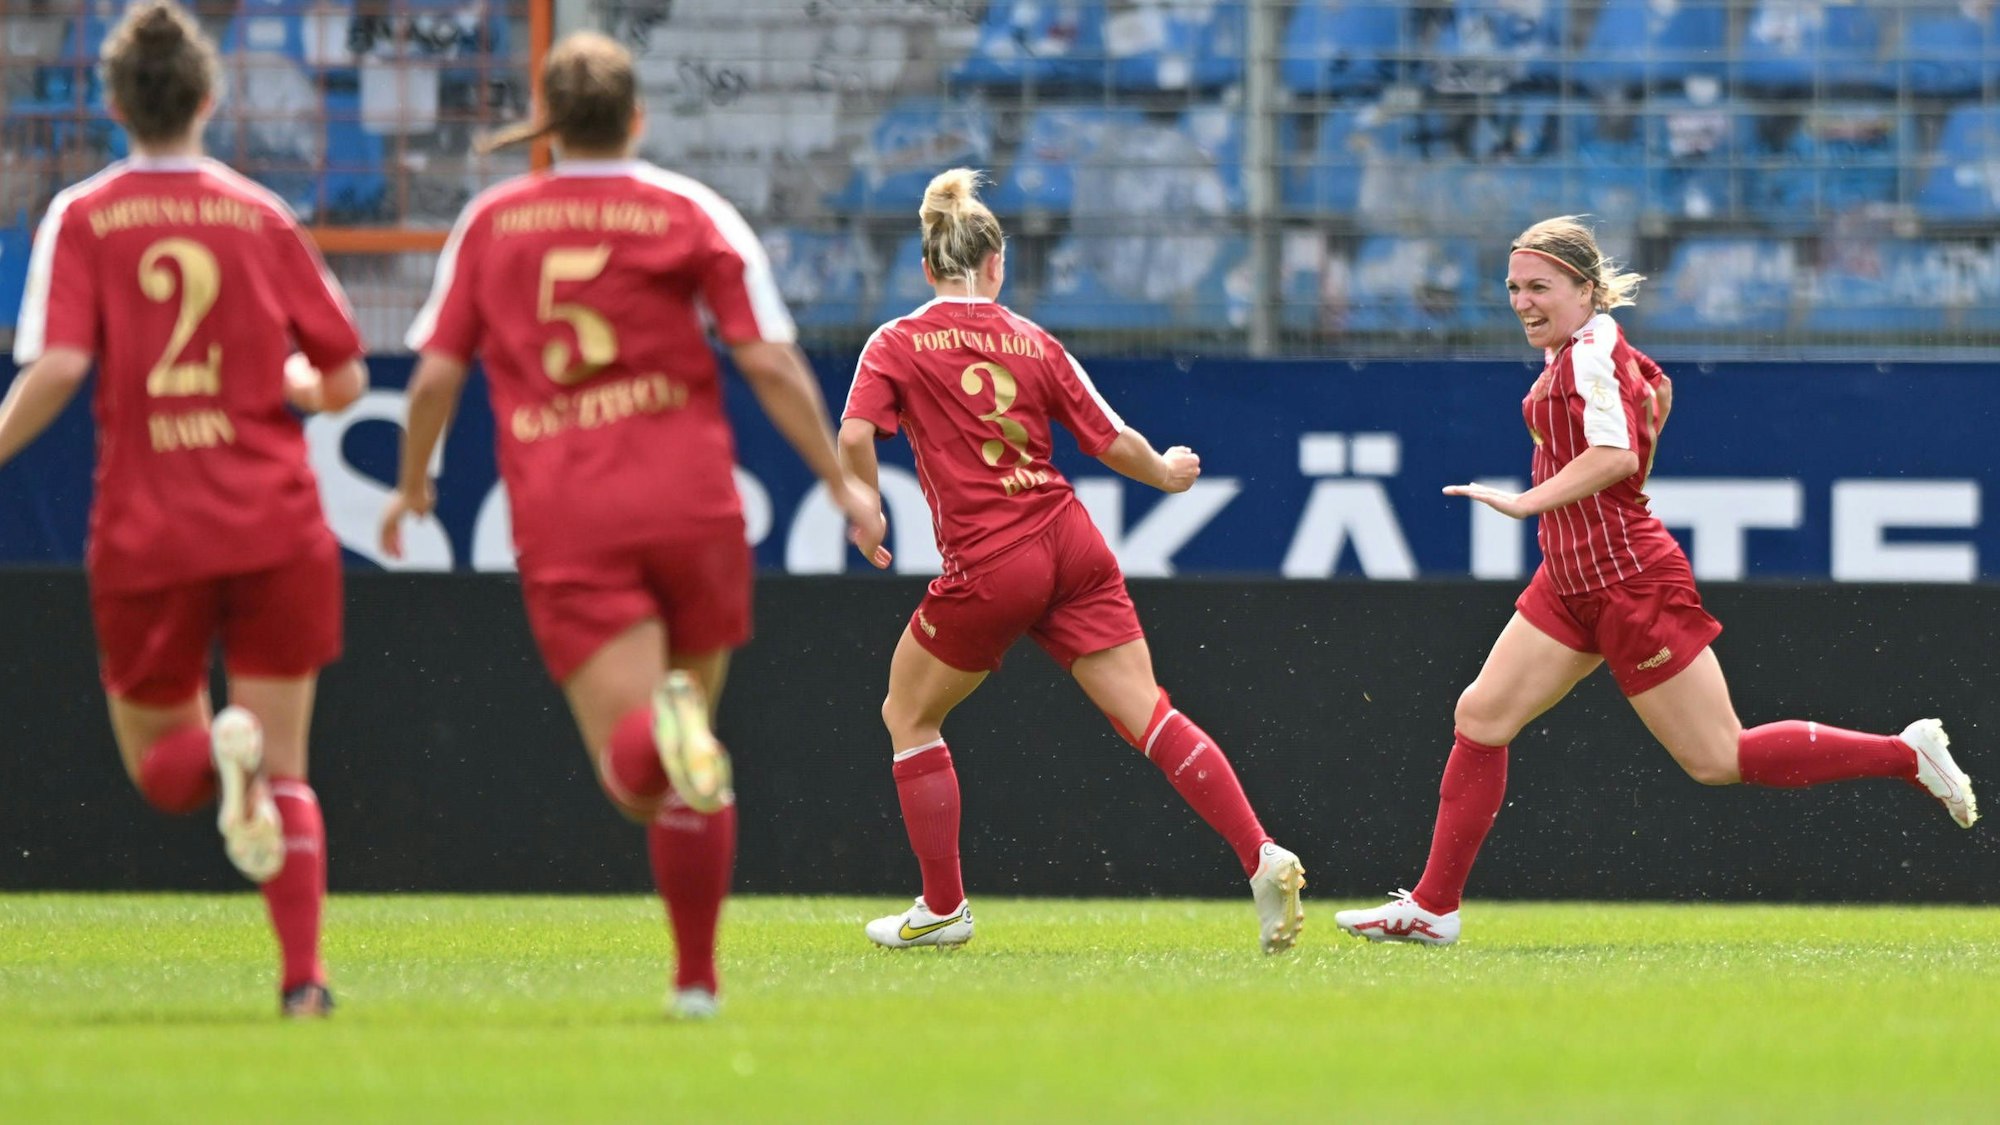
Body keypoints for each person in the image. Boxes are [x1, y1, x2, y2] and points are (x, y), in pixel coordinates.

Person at [379, 31, 882, 1019]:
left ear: (549, 126)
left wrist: (410, 482)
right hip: (694, 505)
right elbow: (768, 362)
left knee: (640, 780)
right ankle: (695, 983)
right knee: (691, 766)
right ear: (638, 117)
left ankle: (673, 770)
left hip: (573, 517)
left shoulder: (492, 223)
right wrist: (837, 480)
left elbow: (436, 374)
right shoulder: (692, 212)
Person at [1334, 215, 1979, 946]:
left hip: (1627, 580)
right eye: (1514, 287)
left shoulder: (1588, 354)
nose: (1522, 301)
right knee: (1480, 715)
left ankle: (1906, 752)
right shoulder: (1593, 348)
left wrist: (1524, 501)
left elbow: (1612, 455)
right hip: (1571, 577)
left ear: (1584, 289)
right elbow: (1656, 399)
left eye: (1540, 286)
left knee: (1719, 757)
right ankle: (1434, 907)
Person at [0, 1, 365, 1016]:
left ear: (115, 103)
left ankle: (219, 748)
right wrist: (292, 382)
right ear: (209, 98)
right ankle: (303, 983)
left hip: (151, 524)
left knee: (168, 775)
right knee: (286, 770)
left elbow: (60, 364)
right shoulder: (260, 213)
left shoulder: (82, 215)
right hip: (274, 519)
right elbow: (340, 375)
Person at [839, 169, 1306, 954]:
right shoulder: (1030, 339)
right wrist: (1165, 471)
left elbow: (856, 435)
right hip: (1069, 539)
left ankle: (944, 907)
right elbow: (1108, 436)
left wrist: (866, 506)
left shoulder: (897, 341)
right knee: (1149, 712)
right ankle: (1259, 851)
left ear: (926, 268)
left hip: (992, 556)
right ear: (997, 265)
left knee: (908, 713)